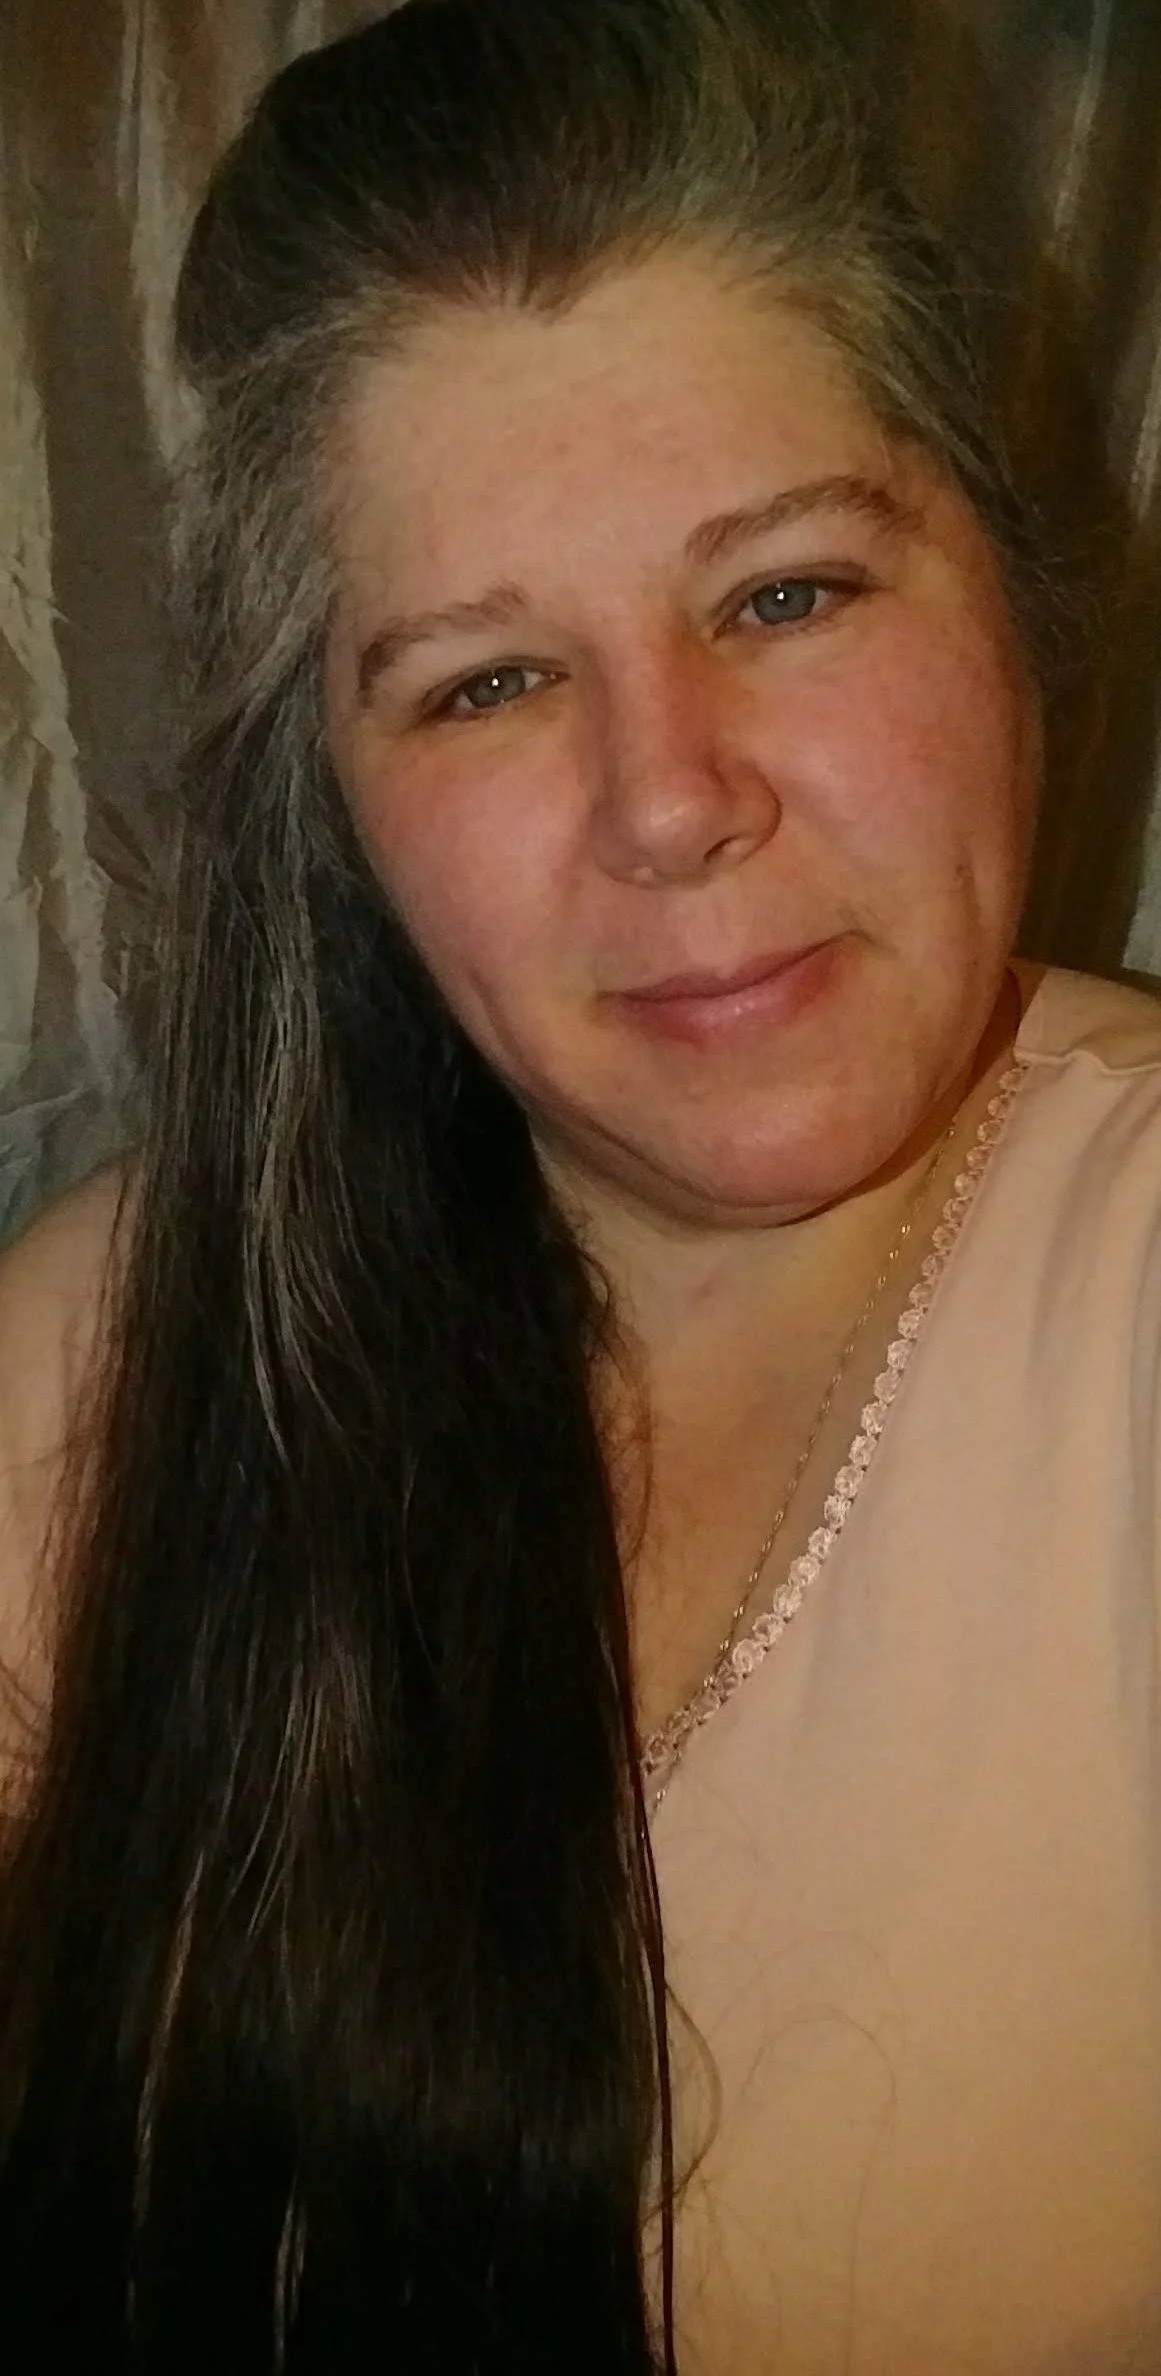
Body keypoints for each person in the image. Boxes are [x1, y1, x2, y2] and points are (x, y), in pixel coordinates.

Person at [0, 0, 1158, 2367]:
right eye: (487, 684)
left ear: (1015, 601)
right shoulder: (115, 1336)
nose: (670, 798)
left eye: (787, 595)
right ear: (333, 803)